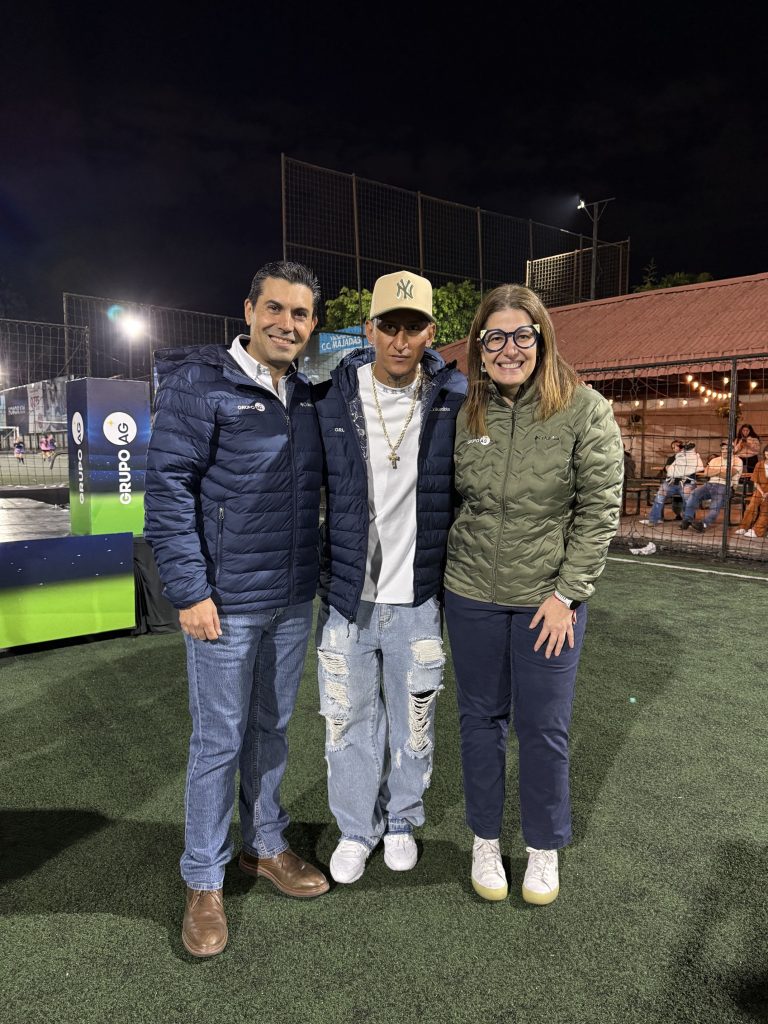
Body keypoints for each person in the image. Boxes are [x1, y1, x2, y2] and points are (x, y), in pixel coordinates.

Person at [145, 261, 329, 959]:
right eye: (275, 308)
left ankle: (265, 845)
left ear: (313, 325)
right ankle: (203, 877)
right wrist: (190, 591)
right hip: (223, 602)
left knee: (272, 729)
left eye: (300, 314)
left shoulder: (307, 392)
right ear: (248, 310)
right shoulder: (201, 384)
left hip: (291, 598)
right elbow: (167, 490)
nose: (287, 323)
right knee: (218, 741)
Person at [442, 284, 623, 905]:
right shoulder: (466, 411)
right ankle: (485, 839)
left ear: (542, 338)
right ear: (479, 346)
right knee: (479, 721)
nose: (509, 349)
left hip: (548, 603)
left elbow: (599, 510)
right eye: (495, 337)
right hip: (470, 594)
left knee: (544, 727)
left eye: (522, 335)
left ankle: (543, 848)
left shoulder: (584, 408)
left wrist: (567, 594)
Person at [313, 270, 466, 884]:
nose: (401, 340)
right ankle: (357, 828)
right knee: (346, 723)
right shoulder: (331, 397)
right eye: (389, 327)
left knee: (414, 723)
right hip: (348, 598)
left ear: (431, 332)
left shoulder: (455, 399)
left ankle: (401, 820)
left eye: (413, 327)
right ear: (370, 329)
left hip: (418, 597)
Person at [680, 441, 742, 533]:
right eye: (723, 449)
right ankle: (687, 519)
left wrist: (714, 471)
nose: (724, 450)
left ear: (732, 450)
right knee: (694, 493)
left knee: (714, 506)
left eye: (727, 448)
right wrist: (721, 470)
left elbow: (728, 475)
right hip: (709, 484)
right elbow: (706, 473)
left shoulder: (737, 461)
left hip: (725, 486)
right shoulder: (715, 460)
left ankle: (703, 524)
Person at [639, 440, 703, 526]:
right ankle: (654, 519)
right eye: (673, 447)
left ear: (683, 446)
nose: (675, 448)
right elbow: (668, 470)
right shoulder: (671, 458)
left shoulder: (693, 457)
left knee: (688, 496)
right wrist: (682, 470)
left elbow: (699, 469)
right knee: (660, 494)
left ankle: (687, 521)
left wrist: (679, 470)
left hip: (687, 483)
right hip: (671, 483)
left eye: (677, 446)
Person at [735, 442, 768, 539]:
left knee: (765, 510)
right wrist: (762, 493)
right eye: (767, 453)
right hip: (760, 490)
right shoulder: (759, 464)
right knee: (751, 507)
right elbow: (755, 482)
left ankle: (757, 531)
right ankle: (743, 527)